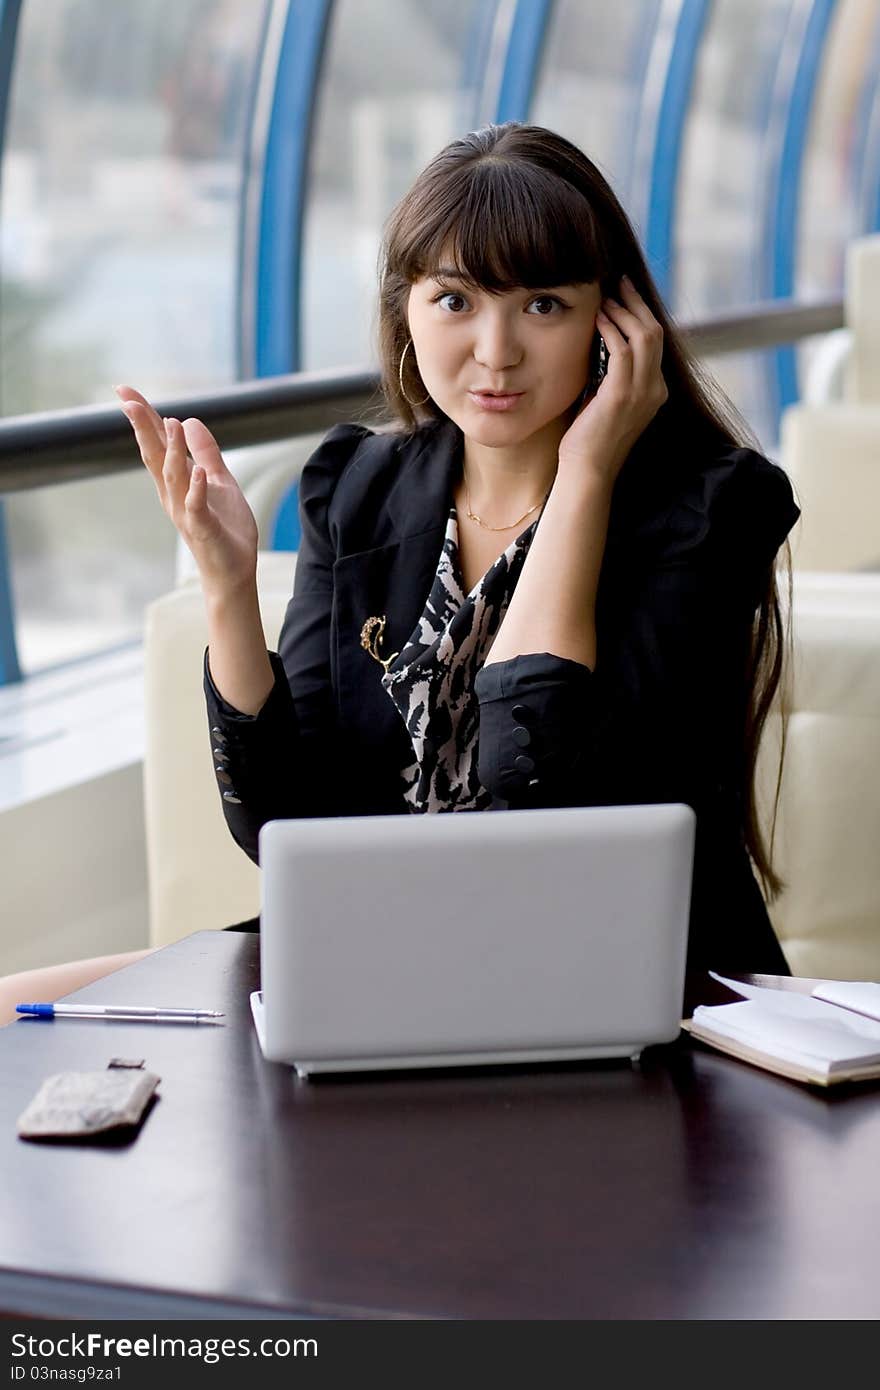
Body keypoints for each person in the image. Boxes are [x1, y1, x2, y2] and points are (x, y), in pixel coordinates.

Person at [0, 121, 800, 1026]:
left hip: (618, 986)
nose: (495, 351)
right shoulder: (361, 487)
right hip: (367, 953)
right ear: (405, 313)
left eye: (543, 305)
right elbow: (281, 826)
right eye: (455, 300)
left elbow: (531, 790)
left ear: (615, 327)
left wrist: (585, 474)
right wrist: (227, 586)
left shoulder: (706, 511)